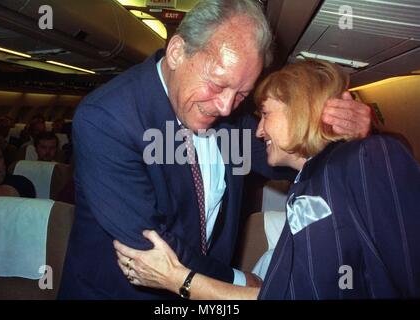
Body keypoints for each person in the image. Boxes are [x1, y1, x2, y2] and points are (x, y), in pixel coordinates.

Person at [59, 0, 371, 299]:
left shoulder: (231, 115)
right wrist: (237, 280)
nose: (225, 107)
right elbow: (150, 245)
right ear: (178, 52)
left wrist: (342, 133)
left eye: (241, 94)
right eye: (218, 84)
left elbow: (296, 155)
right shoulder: (108, 119)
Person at [113, 60, 420, 299]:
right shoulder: (308, 180)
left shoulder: (367, 156)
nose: (259, 131)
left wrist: (180, 280)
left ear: (300, 108)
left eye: (265, 114)